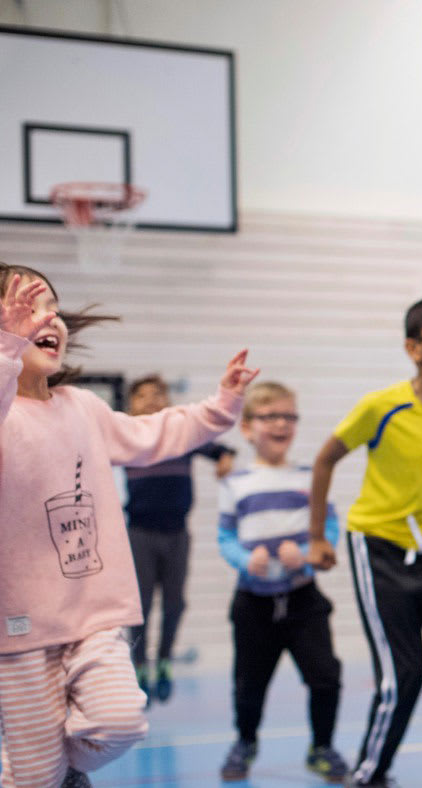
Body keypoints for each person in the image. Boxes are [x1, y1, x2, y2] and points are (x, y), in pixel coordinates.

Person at [0, 264, 256, 788]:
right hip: (19, 628)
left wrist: (221, 406)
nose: (46, 317)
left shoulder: (83, 408)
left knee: (119, 722)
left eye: (51, 306)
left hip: (94, 611)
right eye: (26, 307)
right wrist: (7, 346)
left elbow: (152, 434)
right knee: (35, 778)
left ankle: (60, 768)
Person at [306, 294, 422, 788]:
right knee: (404, 673)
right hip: (378, 550)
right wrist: (316, 538)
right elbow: (325, 460)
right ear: (414, 347)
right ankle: (371, 773)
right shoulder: (381, 407)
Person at [216, 381, 347, 783]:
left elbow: (329, 528)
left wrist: (307, 558)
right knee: (249, 683)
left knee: (325, 675)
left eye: (288, 416)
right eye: (270, 416)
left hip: (303, 599)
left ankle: (321, 747)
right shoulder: (235, 483)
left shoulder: (309, 478)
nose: (280, 424)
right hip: (253, 603)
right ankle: (246, 740)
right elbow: (224, 537)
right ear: (248, 428)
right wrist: (243, 559)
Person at [123, 373, 235, 704]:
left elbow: (222, 450)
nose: (151, 400)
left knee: (174, 603)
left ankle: (166, 659)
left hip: (177, 534)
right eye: (142, 396)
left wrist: (225, 463)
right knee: (140, 606)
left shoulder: (182, 437)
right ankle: (141, 665)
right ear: (131, 405)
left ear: (168, 401)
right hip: (139, 533)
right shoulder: (125, 436)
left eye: (158, 394)